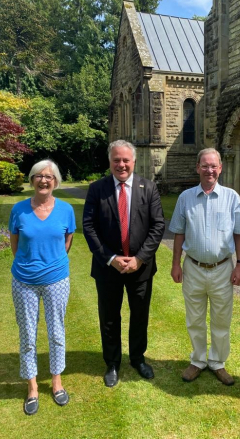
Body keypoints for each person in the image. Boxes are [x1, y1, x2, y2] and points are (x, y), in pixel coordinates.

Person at [83, 140, 165, 387]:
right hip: (108, 267)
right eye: (116, 160)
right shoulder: (97, 189)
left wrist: (140, 259)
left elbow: (158, 225)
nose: (121, 164)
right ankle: (112, 363)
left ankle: (138, 359)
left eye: (125, 160)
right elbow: (89, 226)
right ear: (110, 161)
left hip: (140, 268)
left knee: (140, 315)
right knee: (109, 316)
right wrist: (110, 258)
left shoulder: (148, 188)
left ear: (134, 161)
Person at [169, 148, 240, 385]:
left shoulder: (232, 197)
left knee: (221, 319)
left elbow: (239, 234)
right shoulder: (185, 198)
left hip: (223, 268)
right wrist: (176, 264)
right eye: (205, 165)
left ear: (220, 168)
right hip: (193, 267)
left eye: (214, 166)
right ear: (197, 168)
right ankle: (198, 360)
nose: (209, 170)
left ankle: (217, 362)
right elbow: (179, 234)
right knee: (195, 319)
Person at [9, 160, 76, 416]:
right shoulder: (18, 210)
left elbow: (66, 242)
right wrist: (29, 264)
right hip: (24, 280)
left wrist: (51, 263)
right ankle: (32, 386)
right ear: (32, 180)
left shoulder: (66, 210)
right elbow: (15, 244)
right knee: (27, 333)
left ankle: (57, 382)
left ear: (56, 181)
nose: (44, 180)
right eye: (38, 176)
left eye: (49, 176)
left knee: (57, 331)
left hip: (57, 279)